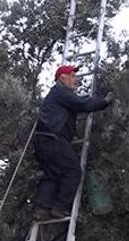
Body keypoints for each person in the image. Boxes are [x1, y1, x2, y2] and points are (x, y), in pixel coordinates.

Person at [32, 65, 112, 222]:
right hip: (53, 139)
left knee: (51, 175)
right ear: (62, 78)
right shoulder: (61, 92)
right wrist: (104, 102)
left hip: (43, 141)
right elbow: (82, 104)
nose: (77, 80)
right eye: (73, 76)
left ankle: (41, 210)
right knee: (73, 171)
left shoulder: (56, 95)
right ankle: (60, 208)